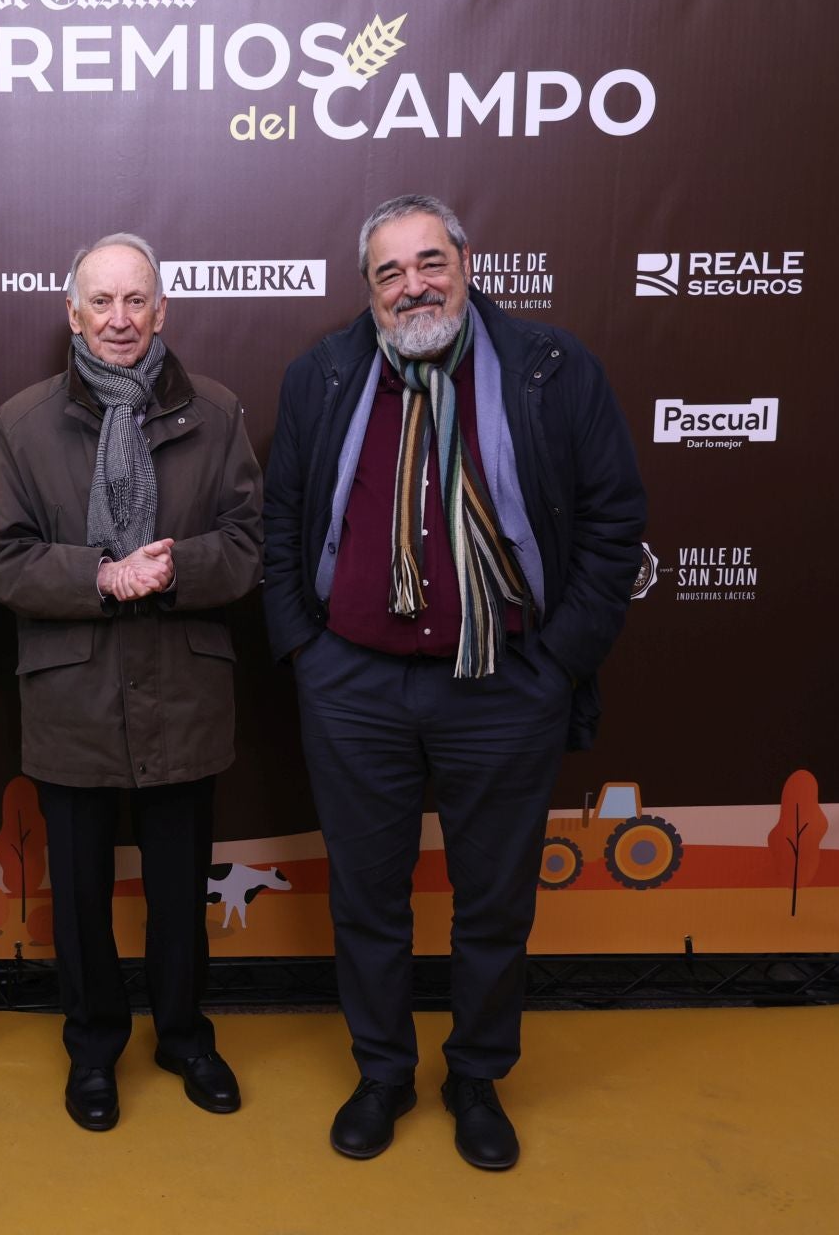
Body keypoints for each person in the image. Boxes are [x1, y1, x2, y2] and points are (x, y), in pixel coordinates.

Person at [263, 194, 645, 1169]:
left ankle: (476, 1074)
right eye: (389, 272)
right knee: (367, 897)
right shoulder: (326, 372)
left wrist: (556, 662)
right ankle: (384, 1071)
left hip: (504, 683)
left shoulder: (549, 369)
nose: (412, 285)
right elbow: (283, 521)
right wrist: (307, 651)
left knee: (494, 899)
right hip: (352, 682)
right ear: (369, 289)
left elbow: (612, 523)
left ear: (467, 263)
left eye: (429, 261)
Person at [0, 233, 262, 1131]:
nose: (119, 319)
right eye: (100, 302)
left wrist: (175, 568)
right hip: (73, 698)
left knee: (181, 890)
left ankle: (184, 1037)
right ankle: (93, 1048)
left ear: (162, 310)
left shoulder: (217, 413)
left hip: (184, 693)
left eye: (136, 301)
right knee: (82, 899)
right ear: (72, 314)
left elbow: (252, 547)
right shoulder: (21, 423)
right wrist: (99, 577)